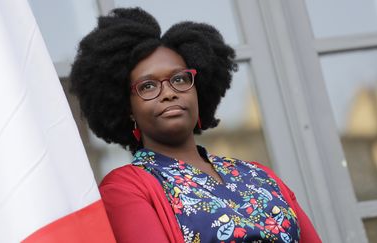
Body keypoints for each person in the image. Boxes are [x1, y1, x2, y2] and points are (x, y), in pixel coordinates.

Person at [70, 7, 321, 243]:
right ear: (127, 109)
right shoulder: (125, 189)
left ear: (198, 90)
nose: (168, 93)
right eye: (147, 86)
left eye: (179, 79)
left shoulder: (259, 175)